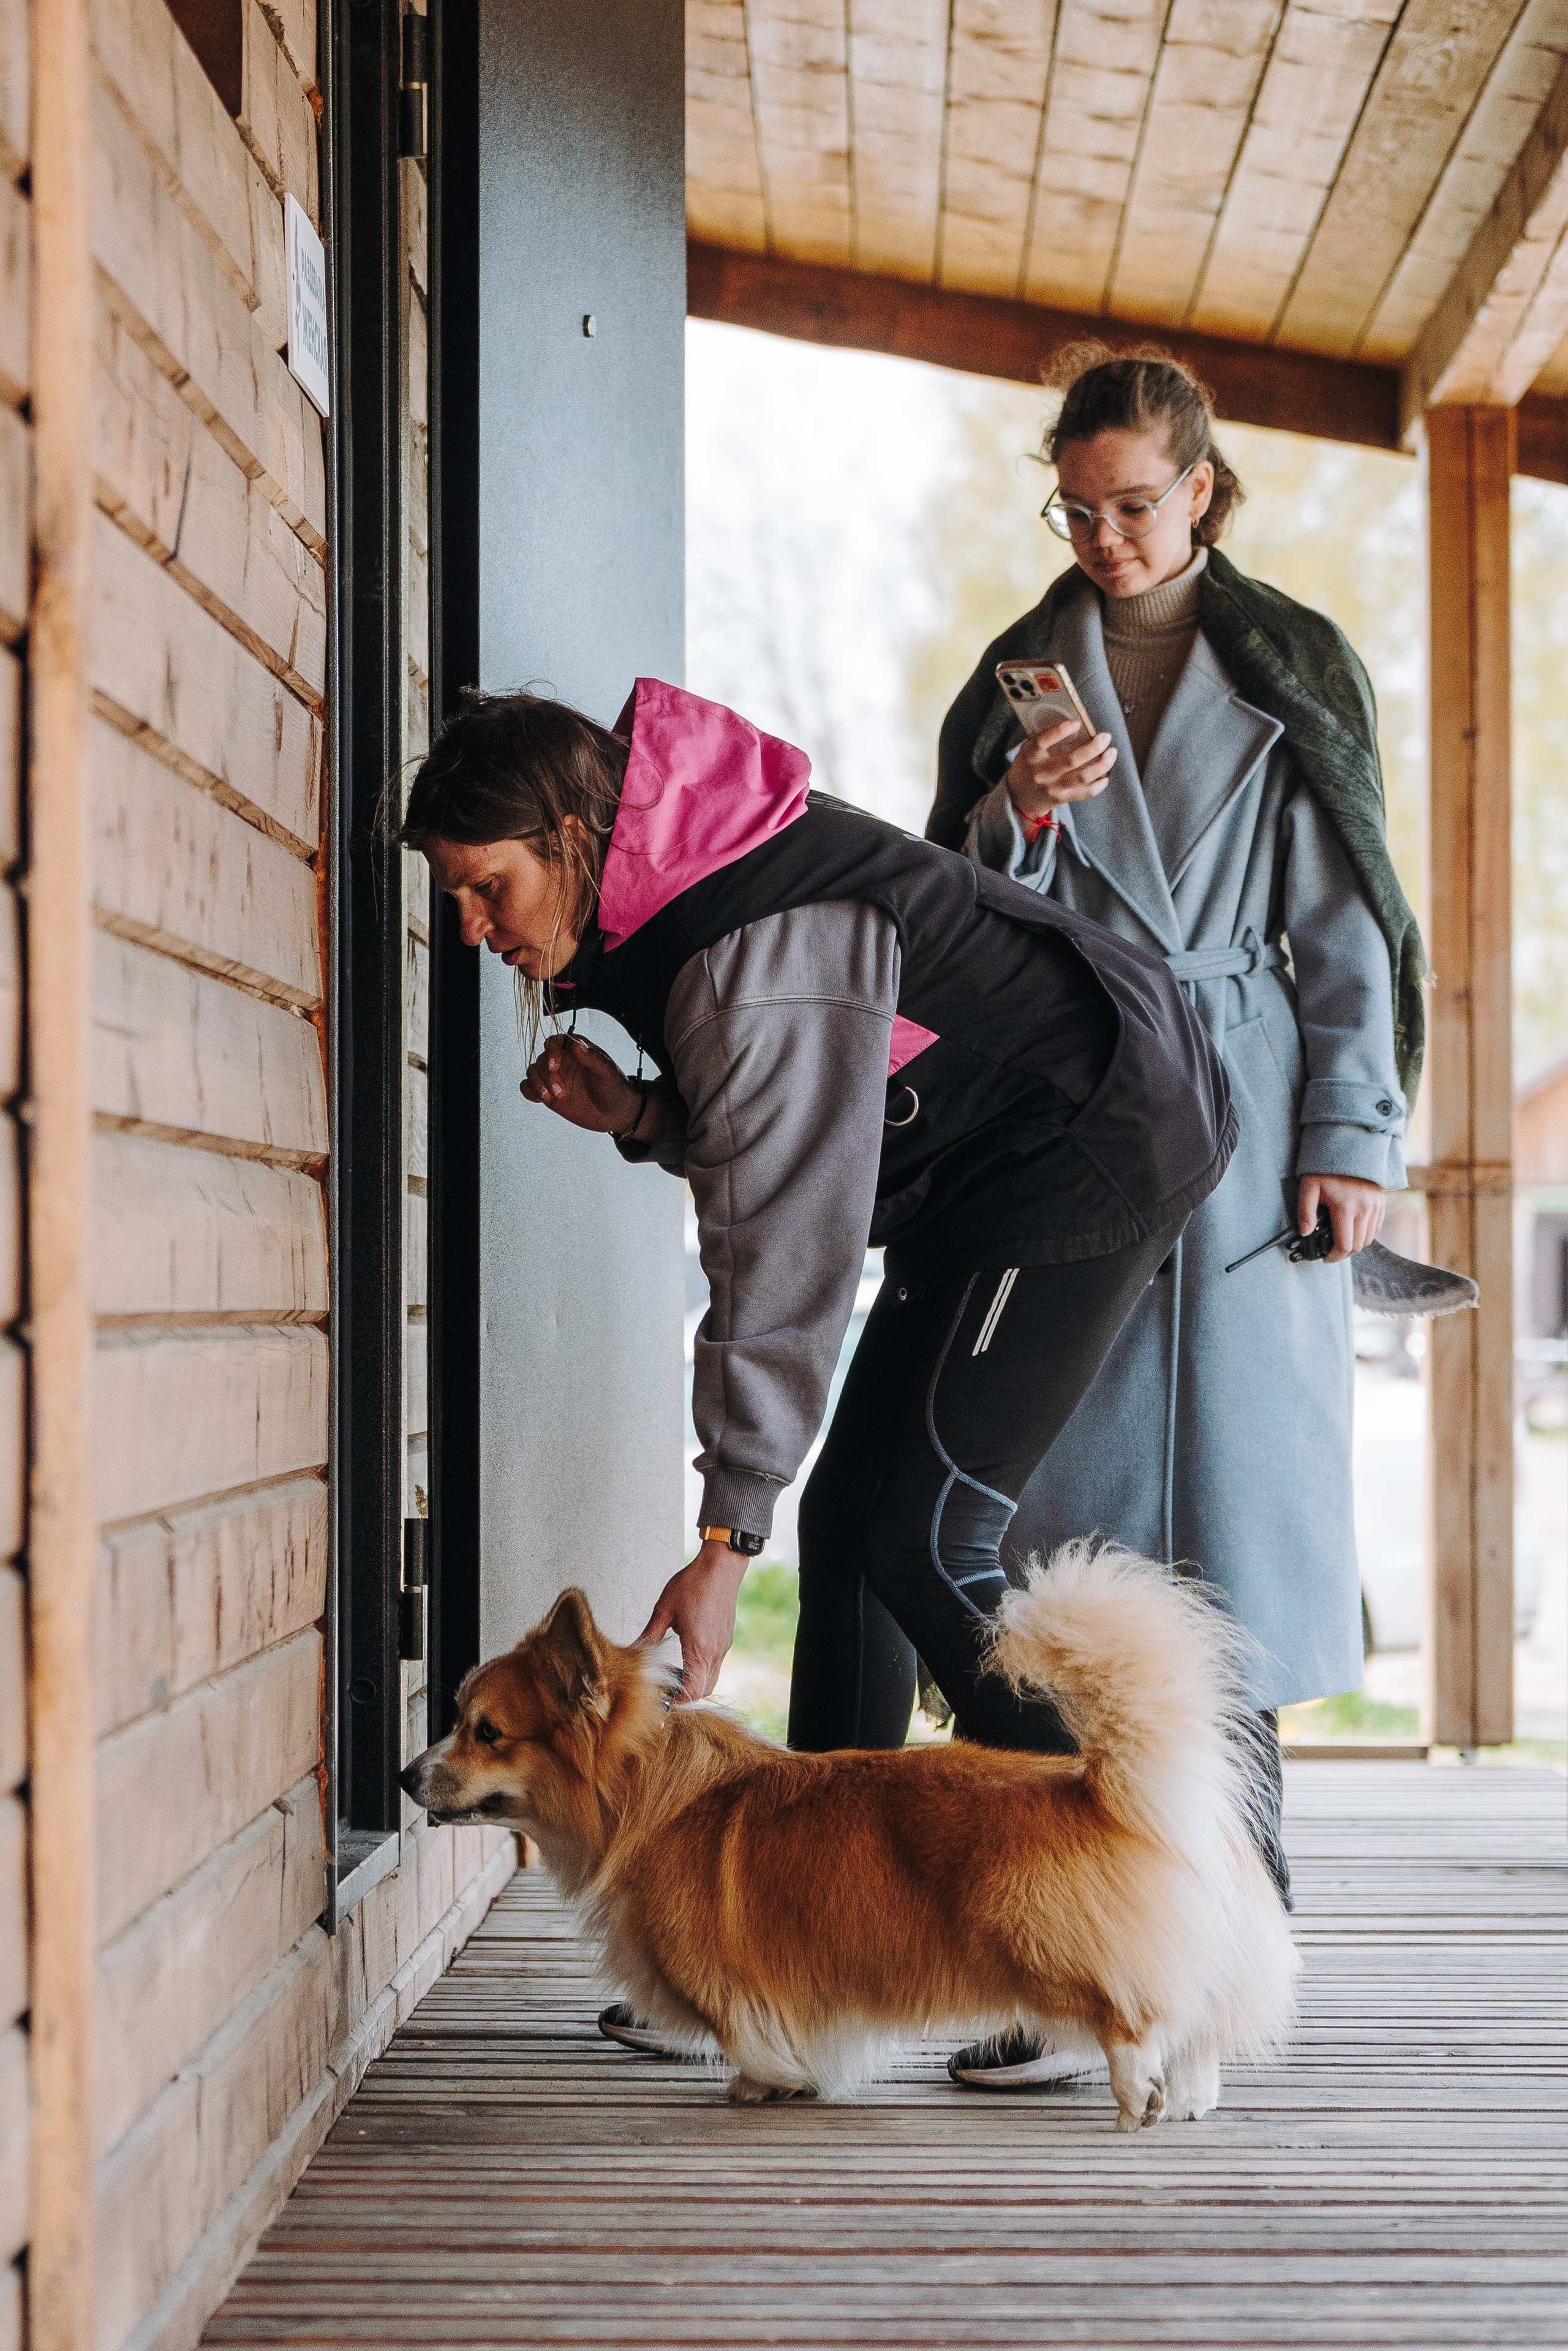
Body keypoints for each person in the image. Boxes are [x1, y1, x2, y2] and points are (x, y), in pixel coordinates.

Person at [400, 674, 1243, 2083]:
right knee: (853, 1531)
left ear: (569, 832)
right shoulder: (689, 895)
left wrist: (727, 1534)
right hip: (982, 1170)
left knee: (917, 1529)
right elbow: (783, 1123)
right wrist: (650, 1114)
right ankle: (785, 1954)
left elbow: (781, 1241)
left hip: (1085, 1138)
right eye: (456, 900)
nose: (474, 931)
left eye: (486, 890)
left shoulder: (748, 947)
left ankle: (1133, 1911)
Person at [928, 346, 1422, 1942]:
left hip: (1247, 1107)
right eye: (1076, 511)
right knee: (1056, 1513)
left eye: (1135, 505)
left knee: (1237, 1515)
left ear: (1200, 485)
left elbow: (1347, 924)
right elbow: (952, 916)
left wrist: (1349, 1128)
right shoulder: (1021, 670)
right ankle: (1045, 1914)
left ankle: (1244, 1895)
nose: (1105, 541)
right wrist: (1017, 813)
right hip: (1076, 1104)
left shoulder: (1293, 663)